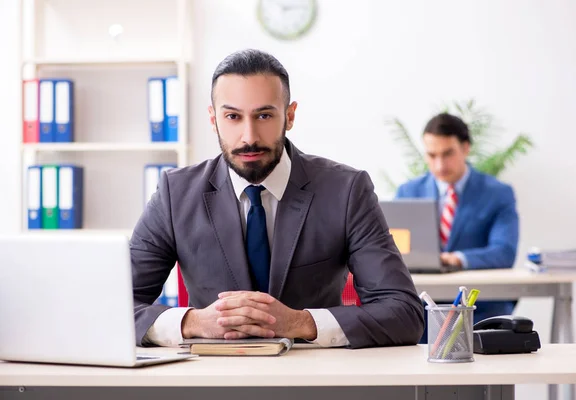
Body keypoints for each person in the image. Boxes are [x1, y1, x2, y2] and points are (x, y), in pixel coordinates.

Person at [130, 49, 424, 349]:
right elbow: (112, 306)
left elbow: (404, 312)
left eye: (264, 115)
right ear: (213, 118)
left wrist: (299, 323)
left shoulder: (346, 190)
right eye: (232, 116)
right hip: (212, 379)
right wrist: (192, 323)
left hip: (316, 377)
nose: (249, 137)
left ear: (290, 115)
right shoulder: (175, 193)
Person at [395, 112, 519, 332]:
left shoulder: (498, 193)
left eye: (448, 153)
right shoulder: (408, 192)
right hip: (422, 309)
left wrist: (458, 259)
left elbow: (504, 252)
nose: (439, 164)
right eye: (431, 155)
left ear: (466, 148)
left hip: (480, 309)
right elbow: (394, 250)